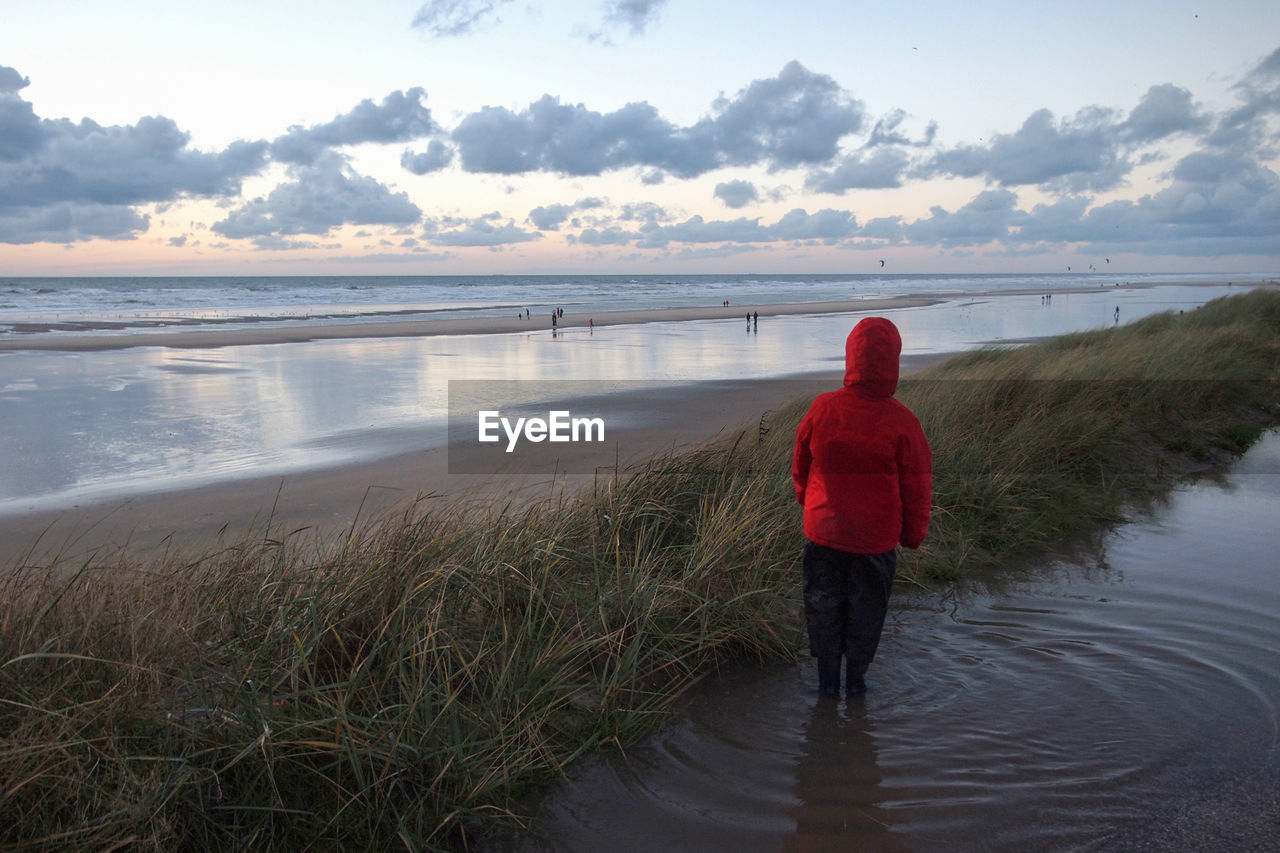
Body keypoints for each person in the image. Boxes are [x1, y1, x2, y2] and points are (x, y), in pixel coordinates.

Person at [792, 317, 932, 697]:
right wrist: (913, 536)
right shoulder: (902, 421)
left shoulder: (823, 408)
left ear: (851, 357)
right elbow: (917, 486)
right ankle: (855, 685)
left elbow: (800, 465)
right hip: (874, 543)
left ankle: (826, 690)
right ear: (893, 363)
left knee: (824, 610)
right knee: (865, 616)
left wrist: (808, 501)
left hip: (824, 534)